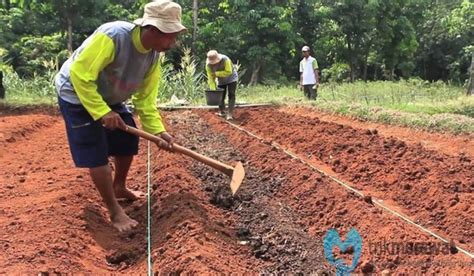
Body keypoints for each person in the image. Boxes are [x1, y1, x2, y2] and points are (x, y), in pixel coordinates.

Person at [55, 0, 186, 232]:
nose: (172, 43)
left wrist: (158, 131)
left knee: (126, 141)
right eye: (170, 36)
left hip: (109, 97)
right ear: (154, 30)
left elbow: (145, 100)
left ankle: (119, 187)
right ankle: (115, 212)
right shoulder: (113, 36)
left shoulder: (153, 57)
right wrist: (101, 111)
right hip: (75, 93)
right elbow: (80, 74)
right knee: (96, 153)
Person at [206, 50, 238, 120]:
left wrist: (216, 74)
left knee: (231, 94)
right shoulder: (208, 65)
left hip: (231, 78)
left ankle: (230, 113)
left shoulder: (225, 59)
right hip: (221, 80)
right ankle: (222, 112)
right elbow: (211, 78)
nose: (214, 64)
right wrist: (213, 90)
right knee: (220, 96)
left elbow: (229, 72)